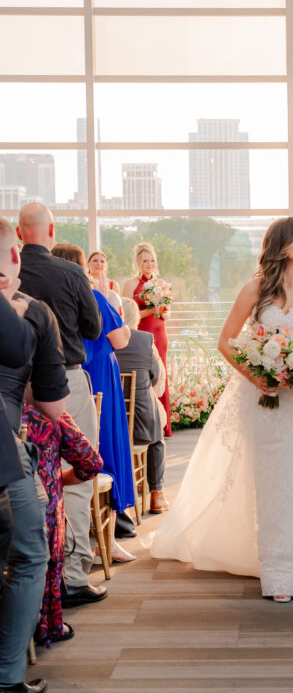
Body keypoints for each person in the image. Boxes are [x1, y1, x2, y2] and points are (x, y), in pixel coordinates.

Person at [150, 217, 293, 601]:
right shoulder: (254, 290)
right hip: (261, 400)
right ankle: (274, 566)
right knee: (266, 477)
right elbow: (227, 341)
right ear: (281, 243)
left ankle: (292, 562)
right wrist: (257, 376)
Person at [16, 202, 104, 608]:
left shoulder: (12, 280)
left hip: (13, 390)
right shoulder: (70, 272)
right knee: (78, 477)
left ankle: (31, 578)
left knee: (24, 484)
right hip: (64, 383)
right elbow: (93, 328)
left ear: (19, 235)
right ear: (52, 229)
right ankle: (71, 576)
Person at [0, 216, 70, 693]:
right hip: (5, 449)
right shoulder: (33, 313)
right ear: (14, 254)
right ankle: (6, 676)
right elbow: (53, 406)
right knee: (29, 554)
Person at [52, 245, 135, 563]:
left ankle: (70, 537)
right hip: (99, 375)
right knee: (107, 450)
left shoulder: (50, 300)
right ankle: (107, 540)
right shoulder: (92, 297)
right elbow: (120, 339)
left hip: (64, 379)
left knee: (68, 453)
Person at [22, 402, 102, 647]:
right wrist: (58, 481)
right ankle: (47, 623)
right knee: (47, 523)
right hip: (38, 514)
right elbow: (91, 464)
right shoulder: (47, 411)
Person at [115, 298, 169, 514]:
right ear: (136, 318)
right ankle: (156, 495)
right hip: (143, 422)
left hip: (113, 423)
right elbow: (157, 378)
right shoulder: (146, 341)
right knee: (157, 439)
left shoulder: (107, 340)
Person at [123, 243, 172, 438]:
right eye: (145, 260)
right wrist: (151, 310)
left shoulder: (162, 284)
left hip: (160, 331)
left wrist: (164, 312)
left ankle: (164, 425)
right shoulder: (131, 284)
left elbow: (167, 312)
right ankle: (145, 422)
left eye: (152, 260)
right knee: (145, 375)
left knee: (161, 373)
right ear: (138, 263)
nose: (149, 264)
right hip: (142, 331)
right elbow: (126, 313)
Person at [87, 251, 122, 316]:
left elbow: (117, 308)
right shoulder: (84, 282)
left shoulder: (113, 285)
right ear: (88, 264)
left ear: (105, 265)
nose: (99, 264)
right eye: (95, 261)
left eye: (102, 261)